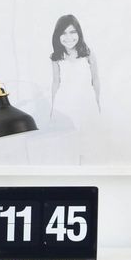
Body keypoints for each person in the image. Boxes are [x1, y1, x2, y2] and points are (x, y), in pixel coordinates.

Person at [50, 14, 101, 161]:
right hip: (65, 104)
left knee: (87, 143)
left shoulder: (88, 53)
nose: (68, 37)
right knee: (67, 144)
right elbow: (55, 82)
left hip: (86, 102)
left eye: (72, 32)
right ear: (58, 36)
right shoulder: (56, 57)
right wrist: (53, 108)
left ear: (79, 33)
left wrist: (97, 101)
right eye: (64, 33)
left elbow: (95, 79)